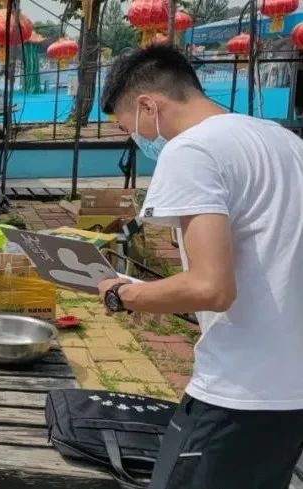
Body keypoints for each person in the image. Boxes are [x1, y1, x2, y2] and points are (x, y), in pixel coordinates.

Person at [97, 45, 303, 489]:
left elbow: (212, 288)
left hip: (238, 392)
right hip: (291, 395)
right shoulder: (283, 141)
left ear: (148, 105)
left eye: (129, 128)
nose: (136, 140)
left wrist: (123, 295)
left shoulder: (191, 150)